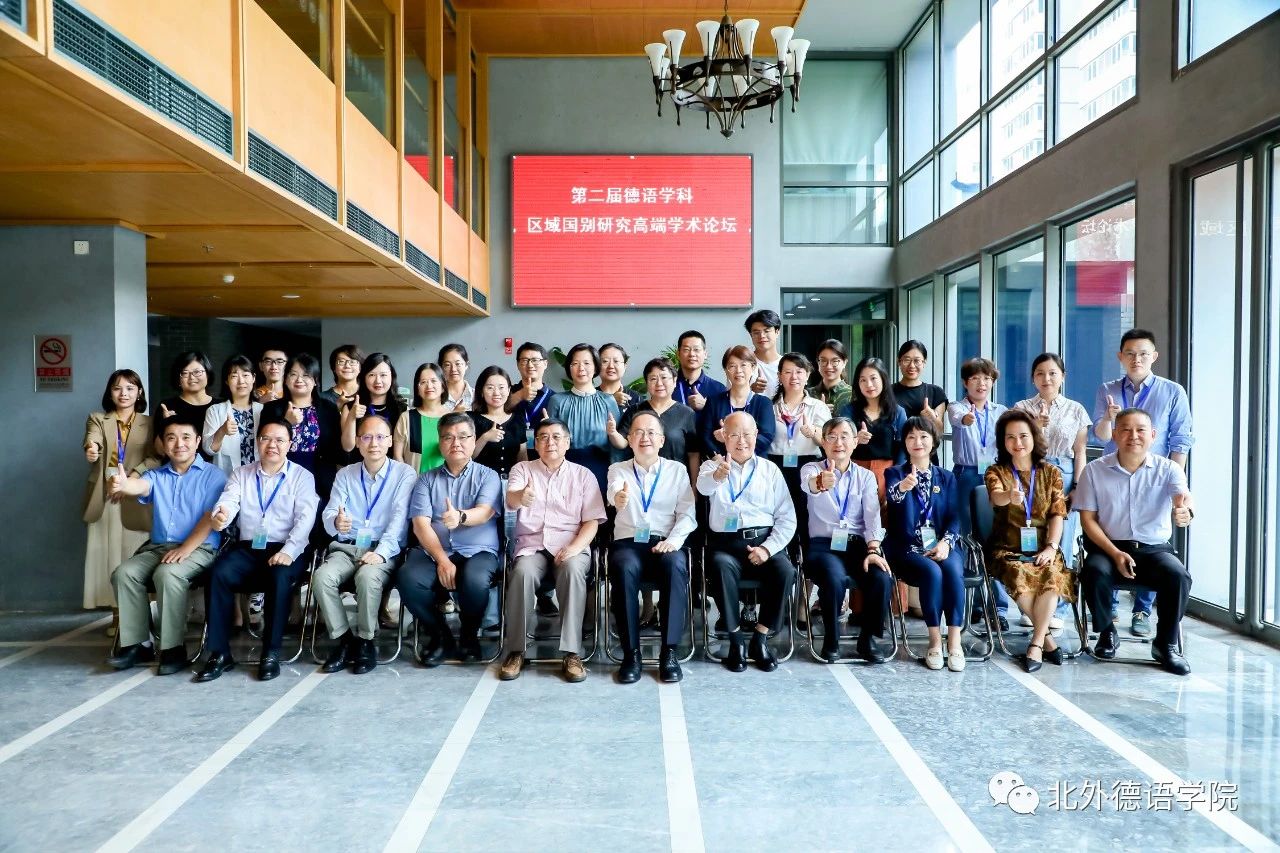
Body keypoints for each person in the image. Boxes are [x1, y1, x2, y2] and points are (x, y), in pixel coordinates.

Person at [1075, 408, 1195, 676]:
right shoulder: (1094, 470)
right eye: (1126, 430)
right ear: (1114, 434)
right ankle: (1107, 632)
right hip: (1107, 547)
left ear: (1153, 435)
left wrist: (1185, 510)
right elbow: (1088, 520)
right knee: (1093, 571)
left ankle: (1166, 644)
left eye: (1141, 430)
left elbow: (1184, 497)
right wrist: (1115, 553)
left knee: (1178, 576)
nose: (1133, 436)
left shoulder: (1168, 469)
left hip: (1153, 551)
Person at [196, 419, 319, 682]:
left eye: (279, 440)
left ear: (290, 444)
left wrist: (289, 551)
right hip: (249, 548)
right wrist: (221, 515)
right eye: (266, 439)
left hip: (288, 547)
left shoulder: (302, 477)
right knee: (218, 574)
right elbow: (228, 501)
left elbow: (305, 519)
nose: (272, 445)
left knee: (279, 576)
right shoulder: (241, 474)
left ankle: (270, 652)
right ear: (257, 442)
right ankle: (220, 653)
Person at [1092, 328, 1194, 634]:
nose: (1136, 359)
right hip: (1114, 474)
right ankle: (1109, 610)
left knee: (1150, 541)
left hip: (1155, 477)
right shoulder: (1107, 390)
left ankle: (1142, 611)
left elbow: (1181, 439)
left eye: (1143, 354)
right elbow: (1101, 436)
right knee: (1113, 534)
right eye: (1130, 354)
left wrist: (1175, 484)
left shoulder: (1172, 391)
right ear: (1120, 357)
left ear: (1154, 357)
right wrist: (1109, 419)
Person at [106, 417, 226, 675]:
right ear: (162, 443)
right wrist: (124, 484)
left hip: (200, 548)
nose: (179, 443)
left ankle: (173, 648)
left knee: (168, 574)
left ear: (197, 442)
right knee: (124, 574)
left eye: (186, 437)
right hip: (158, 547)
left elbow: (209, 518)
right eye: (171, 438)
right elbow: (139, 486)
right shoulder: (156, 475)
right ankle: (138, 644)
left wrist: (185, 549)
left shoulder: (214, 476)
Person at [499, 418, 606, 682]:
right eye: (543, 437)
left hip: (570, 544)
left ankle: (572, 652)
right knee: (522, 573)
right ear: (535, 443)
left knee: (572, 570)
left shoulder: (583, 475)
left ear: (567, 443)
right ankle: (516, 650)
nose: (550, 442)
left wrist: (575, 548)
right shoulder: (523, 469)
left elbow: (592, 521)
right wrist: (521, 497)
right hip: (532, 545)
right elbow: (512, 498)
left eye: (557, 437)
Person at [313, 415, 416, 674]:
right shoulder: (346, 474)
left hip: (384, 548)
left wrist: (380, 553)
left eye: (380, 437)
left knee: (368, 577)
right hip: (347, 547)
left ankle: (366, 640)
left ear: (390, 441)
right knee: (322, 577)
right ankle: (344, 640)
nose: (374, 443)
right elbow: (330, 512)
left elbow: (400, 519)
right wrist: (336, 522)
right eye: (367, 437)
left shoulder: (404, 474)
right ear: (358, 442)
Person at [399, 413, 503, 665]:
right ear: (440, 442)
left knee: (475, 580)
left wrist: (460, 517)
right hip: (435, 551)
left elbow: (485, 512)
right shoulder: (426, 479)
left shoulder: (488, 476)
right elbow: (420, 524)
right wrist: (443, 560)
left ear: (474, 440)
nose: (456, 443)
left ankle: (469, 635)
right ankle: (440, 636)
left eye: (463, 437)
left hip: (478, 550)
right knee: (408, 578)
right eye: (448, 437)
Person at [697, 411, 797, 673]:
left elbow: (787, 517)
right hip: (726, 545)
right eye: (733, 435)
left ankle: (760, 639)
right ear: (723, 437)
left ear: (756, 436)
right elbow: (703, 488)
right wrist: (718, 476)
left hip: (764, 542)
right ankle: (735, 641)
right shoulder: (711, 467)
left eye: (746, 434)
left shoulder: (770, 470)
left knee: (785, 570)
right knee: (720, 567)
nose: (741, 441)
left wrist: (767, 549)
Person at [606, 411, 697, 684]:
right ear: (629, 439)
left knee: (676, 564)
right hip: (629, 543)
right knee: (623, 567)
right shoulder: (618, 469)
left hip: (665, 540)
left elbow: (688, 514)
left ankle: (669, 652)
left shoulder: (677, 470)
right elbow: (614, 492)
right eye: (638, 432)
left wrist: (673, 542)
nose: (644, 437)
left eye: (651, 433)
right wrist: (618, 498)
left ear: (661, 440)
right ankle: (630, 654)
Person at [983, 409, 1072, 673]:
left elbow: (1057, 514)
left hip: (1045, 547)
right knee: (1020, 574)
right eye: (1010, 437)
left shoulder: (1051, 472)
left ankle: (1036, 643)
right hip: (1006, 549)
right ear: (1003, 442)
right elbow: (995, 497)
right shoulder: (996, 471)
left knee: (1051, 575)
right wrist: (1008, 497)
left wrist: (1051, 547)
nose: (1017, 442)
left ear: (1034, 437)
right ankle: (1046, 641)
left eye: (1023, 436)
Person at [800, 418, 893, 663]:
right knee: (834, 578)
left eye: (844, 437)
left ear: (854, 442)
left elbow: (872, 516)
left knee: (882, 577)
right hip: (823, 546)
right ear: (823, 442)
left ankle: (868, 640)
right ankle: (831, 639)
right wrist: (821, 482)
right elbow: (809, 486)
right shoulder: (811, 469)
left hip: (858, 546)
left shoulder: (866, 476)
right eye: (831, 437)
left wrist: (873, 549)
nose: (838, 443)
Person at [1015, 353, 1090, 631]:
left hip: (1065, 474)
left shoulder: (1076, 409)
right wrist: (1035, 429)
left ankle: (1057, 607)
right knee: (1031, 539)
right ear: (1033, 378)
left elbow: (1080, 452)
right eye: (1040, 373)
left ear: (1062, 376)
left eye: (1052, 373)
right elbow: (1016, 447)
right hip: (1031, 473)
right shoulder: (1021, 408)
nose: (1046, 379)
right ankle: (1030, 604)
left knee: (1063, 541)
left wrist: (1078, 487)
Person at [884, 417, 966, 671]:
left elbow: (955, 516)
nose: (917, 442)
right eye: (911, 437)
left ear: (934, 441)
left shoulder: (947, 477)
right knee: (932, 572)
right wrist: (903, 488)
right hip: (907, 546)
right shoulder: (895, 473)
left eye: (923, 436)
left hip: (941, 542)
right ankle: (934, 641)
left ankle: (955, 641)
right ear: (904, 442)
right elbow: (892, 500)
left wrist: (946, 543)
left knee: (952, 569)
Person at [83, 369, 158, 633]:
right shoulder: (98, 418)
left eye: (129, 388)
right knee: (106, 556)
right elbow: (92, 440)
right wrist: (92, 450)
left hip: (136, 494)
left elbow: (156, 457)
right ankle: (117, 616)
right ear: (110, 392)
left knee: (133, 554)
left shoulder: (150, 422)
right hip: (105, 496)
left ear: (139, 392)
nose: (123, 393)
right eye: (117, 388)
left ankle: (138, 616)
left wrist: (131, 479)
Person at [948, 357, 1011, 628]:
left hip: (994, 475)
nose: (981, 383)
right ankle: (972, 604)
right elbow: (958, 420)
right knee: (966, 538)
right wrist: (967, 418)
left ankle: (999, 608)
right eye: (975, 378)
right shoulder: (957, 407)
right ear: (966, 382)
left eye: (986, 378)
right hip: (965, 474)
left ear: (993, 382)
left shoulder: (1001, 412)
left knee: (995, 537)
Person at [261, 353, 345, 502]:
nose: (299, 380)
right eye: (293, 374)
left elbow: (337, 449)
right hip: (282, 474)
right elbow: (263, 444)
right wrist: (287, 423)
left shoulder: (328, 409)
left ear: (315, 380)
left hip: (320, 477)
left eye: (306, 375)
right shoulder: (271, 409)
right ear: (286, 379)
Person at [769, 353, 828, 556]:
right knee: (780, 513)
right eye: (787, 372)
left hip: (808, 464)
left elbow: (827, 442)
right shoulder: (770, 406)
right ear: (779, 376)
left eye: (799, 372)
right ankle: (784, 556)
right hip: (776, 466)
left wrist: (813, 433)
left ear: (808, 375)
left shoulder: (818, 407)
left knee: (806, 513)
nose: (793, 377)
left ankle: (806, 561)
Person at [544, 343, 620, 494]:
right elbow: (551, 443)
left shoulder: (608, 401)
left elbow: (616, 444)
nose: (581, 368)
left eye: (586, 363)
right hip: (565, 469)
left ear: (596, 367)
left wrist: (616, 479)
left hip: (601, 469)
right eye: (575, 363)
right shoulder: (557, 401)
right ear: (569, 368)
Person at [610, 358, 699, 479]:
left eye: (664, 377)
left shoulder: (686, 413)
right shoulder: (635, 410)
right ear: (647, 383)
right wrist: (613, 433)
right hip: (640, 479)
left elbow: (693, 454)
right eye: (653, 379)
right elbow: (623, 442)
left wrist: (693, 486)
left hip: (675, 480)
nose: (659, 383)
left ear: (674, 381)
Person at [839, 356, 907, 499]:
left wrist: (896, 476)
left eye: (873, 378)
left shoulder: (897, 412)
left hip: (887, 473)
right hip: (855, 471)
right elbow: (839, 442)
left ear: (883, 379)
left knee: (886, 512)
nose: (869, 384)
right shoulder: (849, 410)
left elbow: (903, 448)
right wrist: (855, 439)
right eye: (863, 380)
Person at [698, 345, 776, 458]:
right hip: (721, 461)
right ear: (726, 370)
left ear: (753, 368)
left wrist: (728, 439)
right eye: (732, 366)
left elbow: (766, 436)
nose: (738, 370)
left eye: (743, 365)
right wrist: (719, 457)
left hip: (755, 462)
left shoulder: (764, 403)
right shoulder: (713, 402)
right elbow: (705, 436)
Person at [203, 355, 263, 476]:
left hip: (258, 476)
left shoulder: (263, 410)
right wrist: (222, 431)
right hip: (227, 476)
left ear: (253, 378)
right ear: (226, 381)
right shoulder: (215, 411)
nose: (241, 381)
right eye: (234, 376)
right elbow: (209, 449)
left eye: (245, 375)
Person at [340, 353, 408, 455]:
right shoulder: (351, 407)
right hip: (360, 464)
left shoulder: (402, 408)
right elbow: (347, 447)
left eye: (383, 375)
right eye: (372, 375)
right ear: (364, 377)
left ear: (391, 377)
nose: (378, 381)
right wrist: (352, 417)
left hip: (391, 464)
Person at [157, 351, 221, 455]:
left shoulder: (221, 406)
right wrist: (166, 423)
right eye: (184, 373)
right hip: (177, 465)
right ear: (178, 378)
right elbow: (159, 451)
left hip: (215, 465)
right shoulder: (167, 406)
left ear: (208, 374)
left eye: (197, 372)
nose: (191, 377)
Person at [471, 366, 528, 479]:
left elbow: (522, 456)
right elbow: (466, 457)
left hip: (512, 482)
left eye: (501, 387)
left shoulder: (518, 419)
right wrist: (485, 438)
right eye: (490, 388)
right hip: (481, 482)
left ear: (508, 390)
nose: (496, 393)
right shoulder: (470, 419)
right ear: (481, 391)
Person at [393, 362, 450, 473]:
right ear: (417, 389)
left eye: (433, 381)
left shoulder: (452, 418)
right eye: (423, 382)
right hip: (413, 481)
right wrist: (408, 479)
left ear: (443, 386)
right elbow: (397, 456)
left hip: (446, 481)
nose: (429, 386)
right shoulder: (407, 418)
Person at [504, 342, 556, 452]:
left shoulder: (555, 398)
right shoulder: (505, 392)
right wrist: (519, 395)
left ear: (545, 364)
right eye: (525, 360)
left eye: (535, 360)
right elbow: (496, 411)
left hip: (542, 455)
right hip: (509, 453)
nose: (530, 365)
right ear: (518, 364)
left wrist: (551, 427)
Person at [891, 340, 948, 431]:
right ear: (899, 361)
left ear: (924, 362)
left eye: (917, 361)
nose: (912, 366)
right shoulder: (887, 392)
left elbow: (940, 431)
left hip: (924, 440)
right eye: (907, 360)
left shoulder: (936, 392)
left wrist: (932, 419)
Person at [674, 330, 727, 412]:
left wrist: (707, 406)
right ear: (678, 354)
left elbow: (725, 418)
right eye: (686, 349)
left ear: (705, 354)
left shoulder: (719, 389)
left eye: (696, 349)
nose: (692, 354)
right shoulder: (666, 386)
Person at [810, 339, 853, 416]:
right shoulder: (808, 394)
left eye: (835, 361)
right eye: (823, 361)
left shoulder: (853, 395)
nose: (829, 366)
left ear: (844, 363)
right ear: (818, 362)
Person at [745, 309, 783, 398]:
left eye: (766, 331)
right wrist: (750, 390)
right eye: (756, 332)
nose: (762, 336)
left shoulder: (786, 365)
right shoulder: (743, 364)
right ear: (751, 335)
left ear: (777, 332)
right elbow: (730, 399)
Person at [598, 342, 641, 413]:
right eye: (605, 361)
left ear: (625, 366)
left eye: (616, 361)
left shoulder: (635, 398)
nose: (611, 366)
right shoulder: (589, 397)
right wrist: (611, 401)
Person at [439, 343, 474, 411]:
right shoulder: (435, 396)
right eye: (447, 365)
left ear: (466, 365)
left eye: (458, 364)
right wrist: (454, 413)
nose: (453, 369)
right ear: (441, 367)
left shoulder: (477, 396)